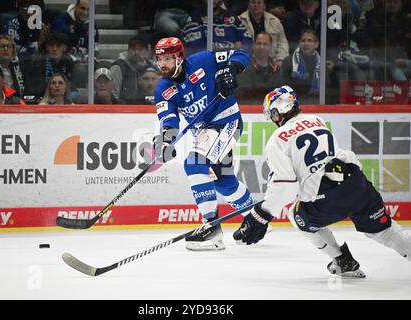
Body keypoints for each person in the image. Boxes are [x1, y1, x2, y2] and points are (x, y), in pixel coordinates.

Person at [235, 85, 411, 277]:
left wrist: (261, 215)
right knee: (386, 231)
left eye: (273, 114)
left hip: (328, 195)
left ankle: (342, 260)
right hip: (356, 182)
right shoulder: (316, 120)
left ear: (281, 110)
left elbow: (286, 186)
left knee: (297, 216)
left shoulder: (276, 140)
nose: (273, 119)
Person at [153, 37, 254, 251]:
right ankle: (254, 217)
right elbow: (168, 119)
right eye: (159, 59)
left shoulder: (203, 60)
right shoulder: (163, 88)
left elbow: (241, 53)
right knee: (223, 182)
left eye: (168, 58)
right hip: (206, 132)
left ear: (179, 57)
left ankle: (212, 228)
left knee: (194, 163)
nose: (162, 64)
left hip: (227, 121)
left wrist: (232, 69)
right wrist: (165, 141)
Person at [25, 31, 84, 103]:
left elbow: (72, 87)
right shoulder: (37, 63)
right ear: (46, 47)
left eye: (58, 45)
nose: (54, 49)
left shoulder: (69, 61)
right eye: (51, 45)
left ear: (65, 48)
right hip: (41, 101)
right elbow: (31, 92)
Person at [181, 0, 253, 55]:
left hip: (231, 62)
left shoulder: (232, 19)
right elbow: (196, 49)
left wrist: (239, 49)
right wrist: (233, 48)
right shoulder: (195, 18)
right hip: (207, 64)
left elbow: (248, 44)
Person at [236, 32, 283, 104]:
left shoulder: (277, 69)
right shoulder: (245, 67)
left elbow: (280, 94)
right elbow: (244, 94)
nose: (261, 47)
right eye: (258, 43)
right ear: (253, 46)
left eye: (265, 44)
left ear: (270, 47)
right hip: (251, 110)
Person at [238, 0, 289, 65]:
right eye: (253, 2)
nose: (255, 5)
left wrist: (279, 60)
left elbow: (282, 43)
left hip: (273, 62)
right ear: (248, 5)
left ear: (264, 6)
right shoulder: (239, 21)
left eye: (259, 2)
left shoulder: (275, 21)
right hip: (248, 63)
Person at [109, 36, 156, 104]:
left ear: (146, 52)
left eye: (140, 49)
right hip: (124, 109)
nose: (136, 52)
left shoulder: (151, 67)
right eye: (133, 49)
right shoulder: (118, 66)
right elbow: (113, 95)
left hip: (147, 108)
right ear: (128, 51)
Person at [281, 29, 320, 100]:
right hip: (294, 100)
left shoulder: (321, 63)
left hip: (317, 101)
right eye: (303, 41)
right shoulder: (288, 61)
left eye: (310, 40)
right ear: (299, 43)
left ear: (316, 44)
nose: (306, 43)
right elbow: (284, 86)